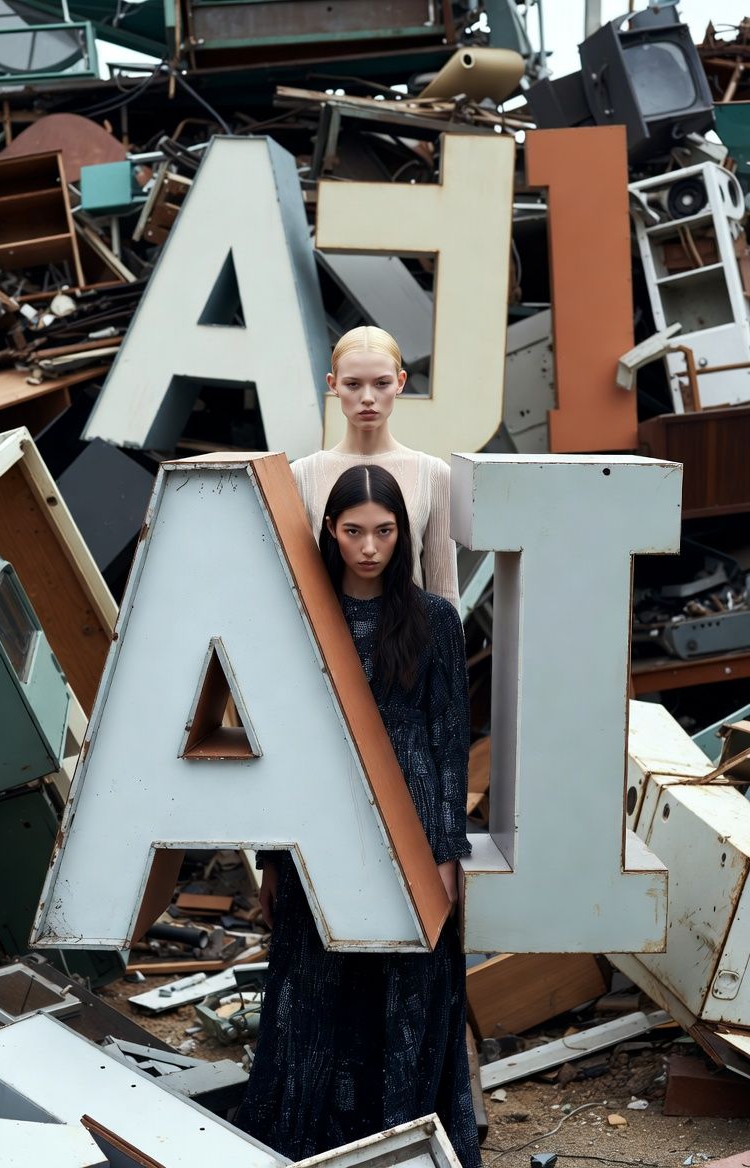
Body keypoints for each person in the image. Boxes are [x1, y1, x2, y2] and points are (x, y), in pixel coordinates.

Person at [234, 464, 479, 1168]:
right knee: (315, 986)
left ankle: (401, 1141)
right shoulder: (306, 620)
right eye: (352, 531)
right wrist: (273, 859)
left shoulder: (433, 620)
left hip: (411, 829)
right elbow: (280, 748)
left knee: (406, 991)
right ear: (330, 532)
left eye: (383, 531)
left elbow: (448, 742)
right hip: (323, 827)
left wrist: (444, 855)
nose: (368, 547)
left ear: (402, 534)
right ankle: (315, 1146)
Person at [292, 325, 459, 610]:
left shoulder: (433, 474)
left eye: (381, 383)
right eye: (353, 384)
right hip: (325, 646)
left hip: (408, 646)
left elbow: (444, 592)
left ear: (400, 381)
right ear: (333, 385)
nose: (368, 397)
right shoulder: (301, 475)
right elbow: (295, 586)